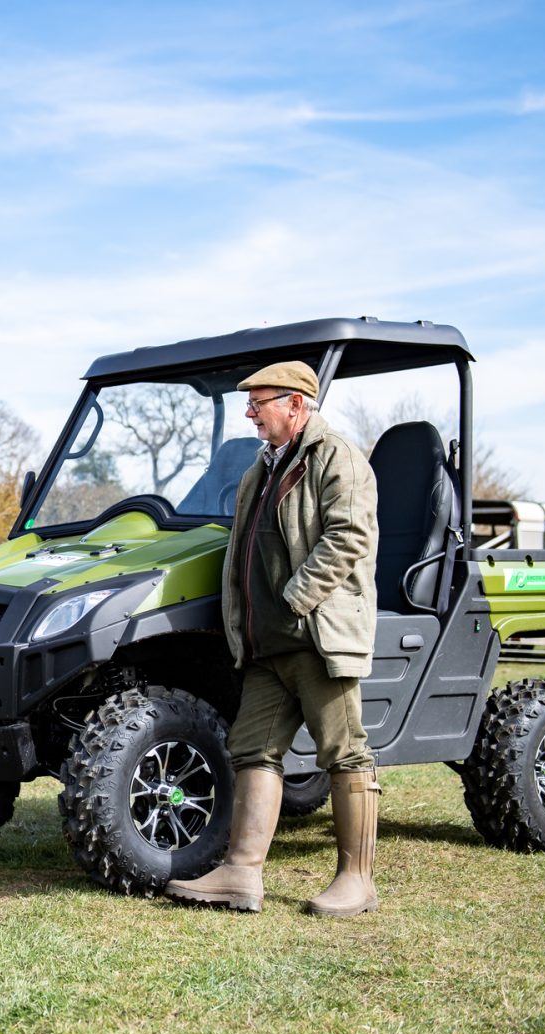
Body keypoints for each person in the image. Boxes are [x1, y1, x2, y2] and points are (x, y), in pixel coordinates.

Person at [165, 360, 381, 917]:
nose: (249, 413)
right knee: (252, 749)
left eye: (259, 403)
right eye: (251, 403)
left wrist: (293, 597)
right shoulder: (258, 470)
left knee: (344, 752)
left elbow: (349, 537)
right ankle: (241, 874)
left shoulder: (339, 458)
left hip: (316, 636)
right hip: (267, 645)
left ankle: (356, 881)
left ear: (296, 404)